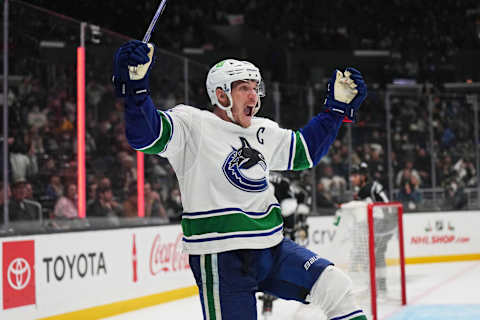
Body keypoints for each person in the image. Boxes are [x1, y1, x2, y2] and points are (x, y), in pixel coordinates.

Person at [113, 40, 367, 320]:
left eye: (256, 88)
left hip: (271, 247)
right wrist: (136, 91)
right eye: (244, 87)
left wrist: (335, 110)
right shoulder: (192, 125)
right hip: (221, 256)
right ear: (221, 95)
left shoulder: (263, 130)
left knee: (335, 285)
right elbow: (145, 136)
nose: (254, 95)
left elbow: (305, 152)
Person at [349, 162, 395, 293]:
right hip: (382, 222)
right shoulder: (368, 187)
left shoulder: (366, 189)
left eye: (355, 176)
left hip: (383, 222)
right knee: (374, 254)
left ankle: (379, 287)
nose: (352, 179)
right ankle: (377, 286)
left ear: (363, 176)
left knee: (376, 254)